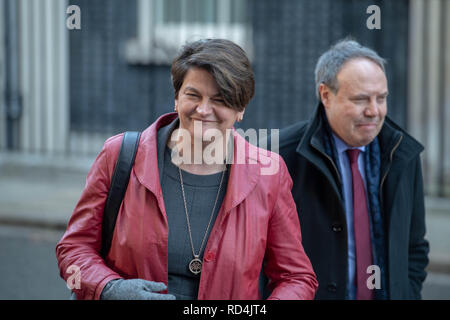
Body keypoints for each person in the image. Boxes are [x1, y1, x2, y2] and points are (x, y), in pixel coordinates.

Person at [56, 38, 318, 300]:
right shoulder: (120, 156)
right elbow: (73, 248)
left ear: (240, 109)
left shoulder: (268, 174)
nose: (203, 110)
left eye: (220, 99)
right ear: (176, 98)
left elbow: (296, 277)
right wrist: (109, 289)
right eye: (193, 95)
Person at [276, 39, 429, 300]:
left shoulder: (404, 154)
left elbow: (414, 247)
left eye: (381, 98)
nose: (373, 111)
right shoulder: (281, 156)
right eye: (360, 99)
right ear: (326, 95)